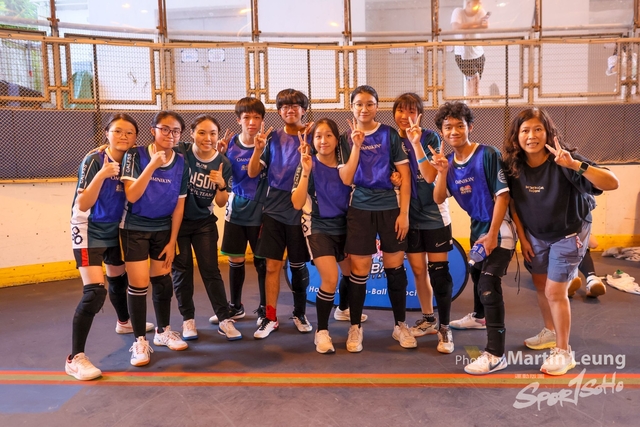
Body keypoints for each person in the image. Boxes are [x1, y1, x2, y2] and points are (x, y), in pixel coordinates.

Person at [503, 107, 619, 375]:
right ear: (516, 136)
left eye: (538, 129)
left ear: (548, 133)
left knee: (555, 292)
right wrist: (523, 237)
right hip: (535, 235)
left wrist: (575, 165)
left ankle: (563, 352)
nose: (531, 136)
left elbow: (612, 182)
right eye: (525, 130)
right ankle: (550, 332)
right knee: (541, 285)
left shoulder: (565, 159)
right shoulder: (513, 166)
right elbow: (513, 204)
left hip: (569, 233)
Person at [430, 101, 516, 375]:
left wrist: (492, 235)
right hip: (477, 227)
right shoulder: (449, 163)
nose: (454, 131)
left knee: (488, 284)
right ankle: (479, 318)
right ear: (442, 132)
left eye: (460, 125)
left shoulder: (487, 154)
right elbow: (439, 197)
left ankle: (495, 354)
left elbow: (503, 196)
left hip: (500, 227)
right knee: (477, 273)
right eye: (448, 127)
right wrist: (442, 172)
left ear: (470, 127)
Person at [66, 114, 154, 380]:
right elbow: (83, 203)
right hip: (89, 228)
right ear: (106, 133)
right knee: (94, 292)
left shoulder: (134, 159)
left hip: (116, 227)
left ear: (136, 137)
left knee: (118, 277)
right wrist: (103, 175)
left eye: (129, 132)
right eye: (117, 131)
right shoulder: (94, 160)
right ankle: (75, 358)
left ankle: (124, 322)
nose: (123, 136)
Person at [339, 85, 414, 352]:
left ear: (377, 107)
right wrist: (357, 145)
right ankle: (355, 327)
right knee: (359, 270)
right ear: (351, 107)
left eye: (369, 103)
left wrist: (403, 214)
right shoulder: (345, 138)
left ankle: (400, 325)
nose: (364, 108)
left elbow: (405, 177)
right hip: (359, 208)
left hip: (390, 208)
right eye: (359, 104)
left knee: (395, 268)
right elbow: (346, 178)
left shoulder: (389, 134)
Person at [120, 110, 190, 366]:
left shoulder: (181, 162)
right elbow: (132, 195)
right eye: (165, 129)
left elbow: (179, 207)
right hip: (135, 227)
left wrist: (172, 241)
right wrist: (152, 165)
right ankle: (139, 340)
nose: (170, 135)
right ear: (153, 130)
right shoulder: (135, 155)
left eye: (176, 131)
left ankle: (163, 331)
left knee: (162, 281)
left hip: (163, 229)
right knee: (139, 285)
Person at [392, 93, 455, 354]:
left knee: (438, 272)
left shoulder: (430, 137)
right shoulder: (391, 139)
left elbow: (429, 176)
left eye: (412, 111)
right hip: (408, 214)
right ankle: (429, 319)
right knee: (418, 270)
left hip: (434, 214)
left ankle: (445, 327)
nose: (405, 116)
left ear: (420, 114)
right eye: (401, 110)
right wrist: (392, 178)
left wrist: (416, 143)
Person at [248, 89, 313, 339]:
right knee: (272, 265)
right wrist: (257, 149)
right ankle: (271, 317)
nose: (290, 110)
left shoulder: (314, 134)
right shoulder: (272, 137)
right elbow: (253, 172)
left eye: (295, 105)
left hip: (300, 209)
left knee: (298, 265)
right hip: (273, 208)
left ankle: (299, 313)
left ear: (304, 109)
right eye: (285, 106)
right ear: (279, 111)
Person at [171, 115, 241, 342]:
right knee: (181, 272)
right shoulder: (180, 151)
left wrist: (220, 184)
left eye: (212, 133)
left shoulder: (223, 163)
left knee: (211, 271)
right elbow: (153, 150)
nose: (207, 138)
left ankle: (224, 319)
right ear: (191, 133)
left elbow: (220, 202)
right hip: (178, 223)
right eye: (201, 132)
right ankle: (188, 320)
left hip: (204, 223)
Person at [291, 119, 353, 354]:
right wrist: (306, 172)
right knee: (330, 279)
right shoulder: (307, 163)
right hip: (317, 225)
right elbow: (297, 203)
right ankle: (322, 332)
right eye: (318, 136)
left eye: (328, 135)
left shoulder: (347, 165)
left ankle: (343, 309)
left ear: (337, 140)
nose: (323, 140)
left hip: (345, 226)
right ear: (312, 140)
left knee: (352, 274)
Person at [214, 97, 268, 326]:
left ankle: (265, 308)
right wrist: (219, 155)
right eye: (247, 117)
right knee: (235, 258)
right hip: (235, 209)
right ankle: (235, 306)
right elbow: (220, 174)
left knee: (262, 261)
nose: (252, 122)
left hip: (261, 210)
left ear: (262, 120)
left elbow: (256, 173)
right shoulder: (229, 144)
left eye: (257, 117)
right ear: (238, 120)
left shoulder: (267, 144)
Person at [451, 0, 490, 101]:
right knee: (474, 80)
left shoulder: (481, 11)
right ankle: (474, 104)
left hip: (478, 53)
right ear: (468, 3)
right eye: (476, 2)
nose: (478, 4)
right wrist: (476, 24)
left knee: (474, 82)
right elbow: (455, 27)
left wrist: (468, 26)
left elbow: (485, 25)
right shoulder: (458, 12)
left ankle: (472, 102)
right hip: (463, 54)